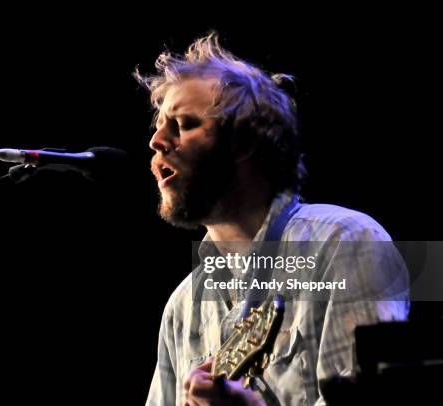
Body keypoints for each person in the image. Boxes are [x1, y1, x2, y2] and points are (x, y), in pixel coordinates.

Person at [135, 33, 409, 406]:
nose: (156, 140)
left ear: (244, 142)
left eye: (183, 124)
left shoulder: (345, 244)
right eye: (159, 124)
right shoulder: (182, 308)